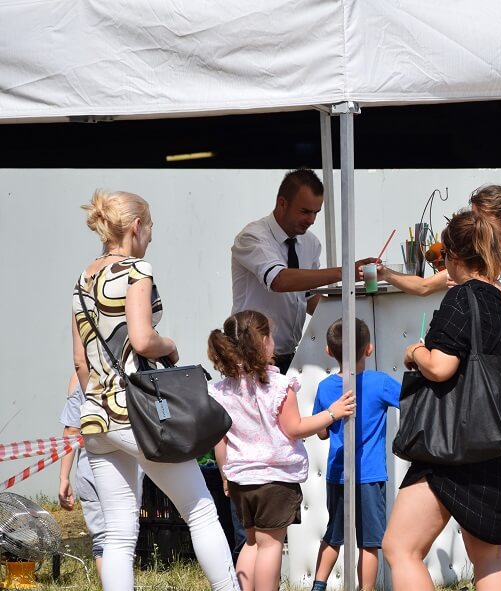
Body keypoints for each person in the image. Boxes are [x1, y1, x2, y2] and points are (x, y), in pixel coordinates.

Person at [378, 184, 501, 590]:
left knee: (401, 548)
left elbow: (440, 367)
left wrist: (415, 352)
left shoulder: (461, 300)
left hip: (452, 449)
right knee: (490, 558)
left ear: (453, 256)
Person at [72, 189, 239, 591]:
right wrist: (170, 345)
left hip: (96, 416)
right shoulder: (136, 271)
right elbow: (143, 339)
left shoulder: (83, 279)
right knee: (200, 509)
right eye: (150, 228)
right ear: (136, 227)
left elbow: (79, 361)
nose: (151, 236)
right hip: (138, 415)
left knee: (118, 532)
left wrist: (102, 396)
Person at [207, 310, 356, 591]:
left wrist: (225, 474)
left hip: (240, 479)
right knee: (270, 545)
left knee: (251, 543)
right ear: (264, 342)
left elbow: (220, 438)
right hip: (274, 480)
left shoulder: (221, 390)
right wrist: (332, 413)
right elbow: (294, 428)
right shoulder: (279, 386)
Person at [231, 168, 376, 374]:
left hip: (289, 357)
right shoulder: (252, 237)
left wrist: (356, 319)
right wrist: (345, 273)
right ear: (282, 203)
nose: (312, 220)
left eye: (316, 212)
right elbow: (279, 280)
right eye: (305, 211)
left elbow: (306, 298)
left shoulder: (311, 243)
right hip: (249, 358)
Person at [310, 318, 401, 591]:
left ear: (329, 351)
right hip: (370, 475)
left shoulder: (325, 387)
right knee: (369, 542)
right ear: (369, 349)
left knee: (333, 535)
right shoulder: (380, 382)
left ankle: (318, 586)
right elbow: (411, 400)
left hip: (337, 473)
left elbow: (321, 432)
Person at [58, 373, 108, 573]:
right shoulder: (133, 367)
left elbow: (72, 430)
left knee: (102, 539)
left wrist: (64, 477)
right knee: (124, 536)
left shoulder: (80, 376)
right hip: (130, 469)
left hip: (92, 469)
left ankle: (110, 584)